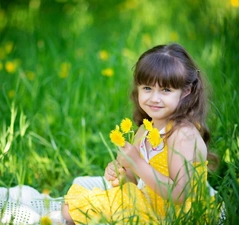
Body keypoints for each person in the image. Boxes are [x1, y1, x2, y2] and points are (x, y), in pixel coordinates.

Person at [61, 43, 219, 224]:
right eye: (147, 88)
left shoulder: (182, 134)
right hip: (147, 202)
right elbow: (135, 182)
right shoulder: (146, 129)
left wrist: (137, 162)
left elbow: (180, 195)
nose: (154, 98)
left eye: (166, 90)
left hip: (174, 216)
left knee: (74, 211)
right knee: (75, 200)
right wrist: (121, 173)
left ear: (186, 91)